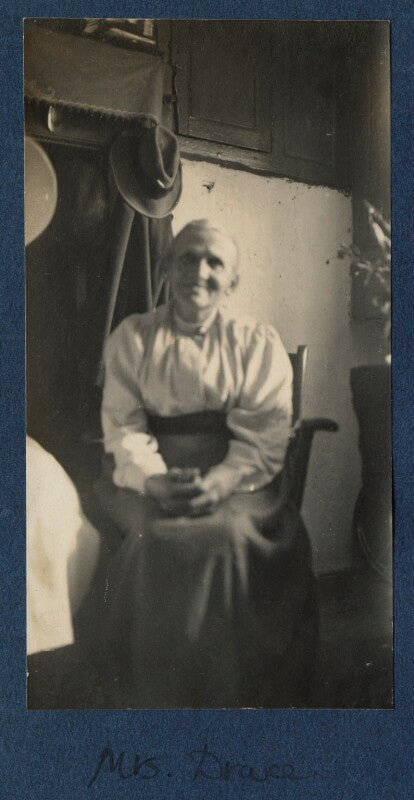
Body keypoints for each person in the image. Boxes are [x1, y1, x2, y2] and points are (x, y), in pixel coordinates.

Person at [96, 219, 318, 708]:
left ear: (232, 281)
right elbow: (124, 425)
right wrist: (154, 480)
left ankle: (227, 694)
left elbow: (264, 433)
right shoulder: (133, 339)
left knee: (226, 536)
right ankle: (155, 697)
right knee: (151, 536)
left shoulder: (255, 343)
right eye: (187, 258)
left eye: (214, 262)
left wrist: (221, 480)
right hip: (149, 476)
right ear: (166, 268)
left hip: (241, 478)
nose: (199, 271)